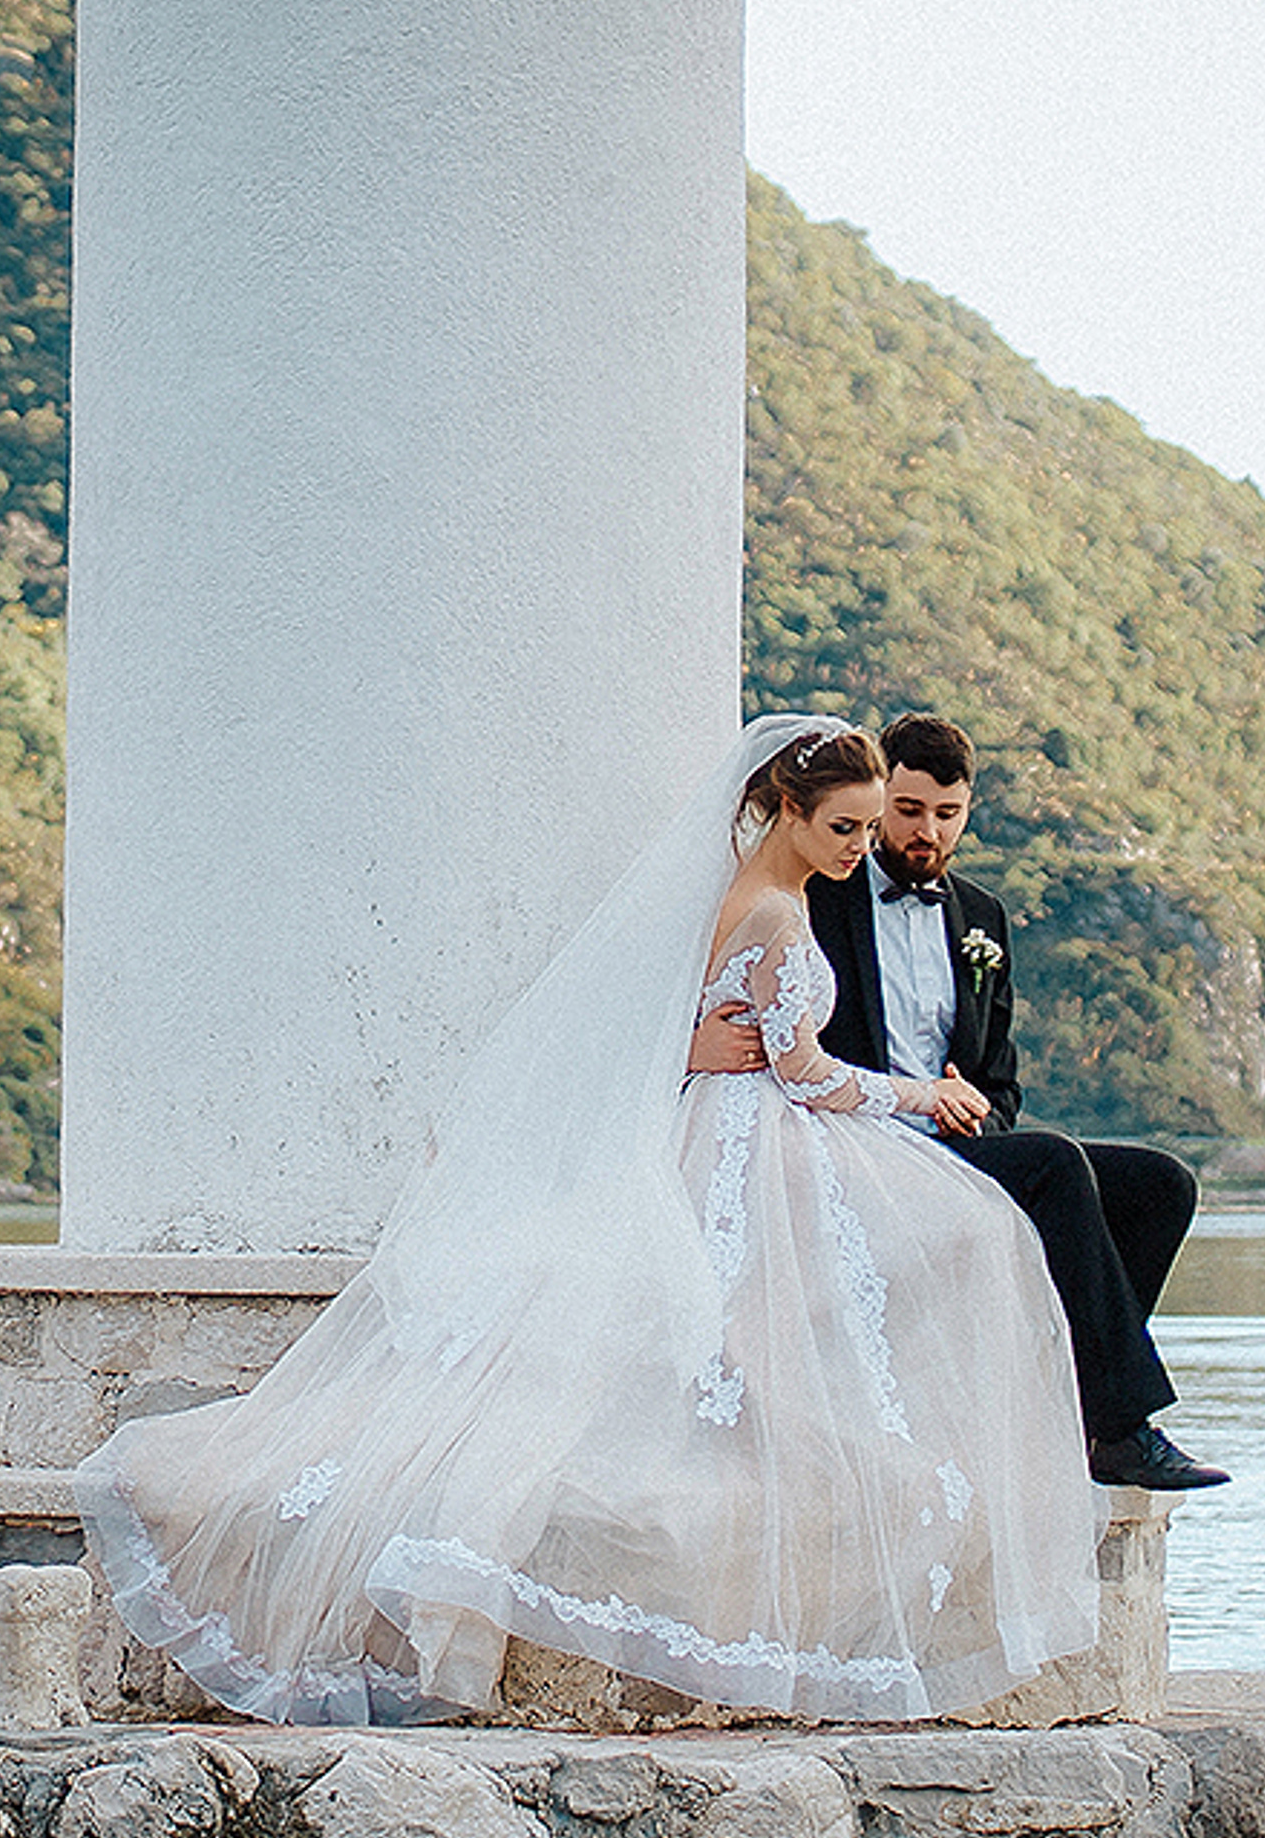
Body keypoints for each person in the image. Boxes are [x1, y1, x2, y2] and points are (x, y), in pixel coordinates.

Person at [74, 719, 1101, 1726]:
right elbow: (805, 1074)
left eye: (869, 829)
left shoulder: (738, 894)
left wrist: (695, 1048)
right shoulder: (781, 916)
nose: (860, 848)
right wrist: (920, 1099)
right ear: (787, 810)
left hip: (718, 1124)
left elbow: (671, 1017)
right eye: (845, 827)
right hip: (756, 1134)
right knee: (950, 1238)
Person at [808, 711, 1223, 1495]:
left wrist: (974, 1113)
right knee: (1055, 1160)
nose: (926, 830)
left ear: (968, 809)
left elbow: (1001, 1083)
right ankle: (1121, 1428)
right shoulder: (822, 902)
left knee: (1163, 1183)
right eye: (908, 810)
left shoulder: (981, 918)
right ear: (880, 797)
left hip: (954, 1139)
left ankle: (1069, 1400)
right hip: (862, 1142)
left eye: (946, 813)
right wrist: (916, 1104)